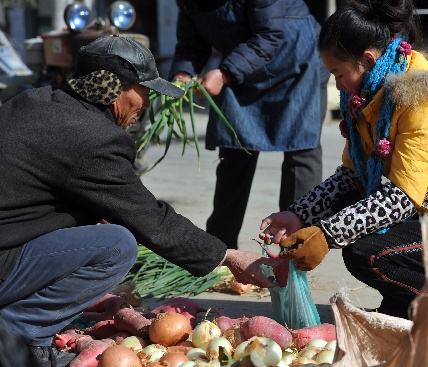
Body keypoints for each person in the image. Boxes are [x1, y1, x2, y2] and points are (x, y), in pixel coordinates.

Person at [0, 34, 276, 367]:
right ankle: (21, 334)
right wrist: (227, 255)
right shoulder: (92, 137)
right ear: (114, 88)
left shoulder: (35, 101)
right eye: (144, 92)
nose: (146, 106)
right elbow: (150, 219)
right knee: (117, 244)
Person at [259, 0, 428, 332]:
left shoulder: (421, 98)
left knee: (366, 253)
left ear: (367, 60)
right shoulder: (367, 95)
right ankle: (403, 307)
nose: (338, 85)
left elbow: (400, 198)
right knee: (352, 223)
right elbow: (350, 176)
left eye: (338, 74)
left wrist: (327, 235)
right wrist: (300, 214)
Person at [169, 0, 331, 249]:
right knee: (234, 154)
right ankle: (220, 251)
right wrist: (182, 75)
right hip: (244, 68)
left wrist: (224, 73)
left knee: (301, 153)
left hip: (297, 61)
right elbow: (191, 43)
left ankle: (296, 252)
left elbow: (270, 34)